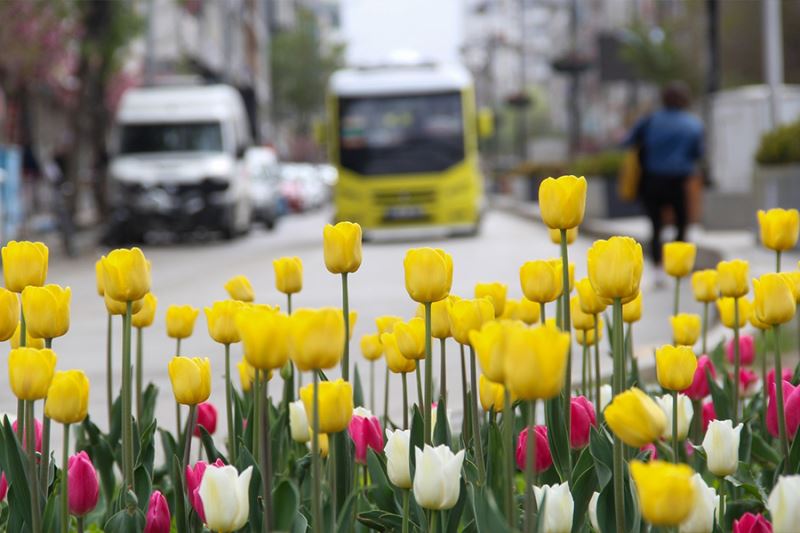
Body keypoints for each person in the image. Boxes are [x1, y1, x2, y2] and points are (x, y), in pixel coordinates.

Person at [623, 81, 704, 271]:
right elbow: (698, 154)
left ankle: (658, 267)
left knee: (655, 225)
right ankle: (678, 265)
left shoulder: (650, 121)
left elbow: (627, 142)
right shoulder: (693, 124)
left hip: (653, 180)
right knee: (682, 223)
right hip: (680, 181)